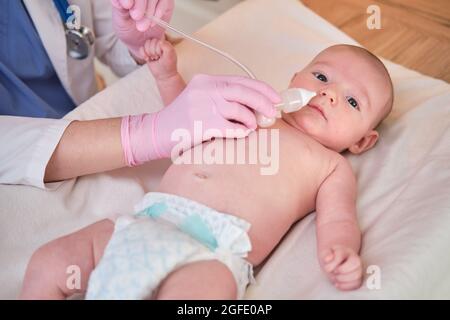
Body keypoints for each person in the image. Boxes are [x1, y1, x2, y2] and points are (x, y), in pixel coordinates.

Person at [19, 42, 394, 299]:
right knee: (50, 261)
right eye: (322, 77)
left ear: (362, 142)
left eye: (350, 100)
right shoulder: (251, 110)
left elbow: (339, 218)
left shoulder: (331, 166)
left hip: (214, 254)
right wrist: (167, 76)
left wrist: (341, 251)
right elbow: (185, 121)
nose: (328, 94)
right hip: (146, 222)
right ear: (295, 79)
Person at [0, 0, 280, 187]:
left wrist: (142, 45)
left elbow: (100, 37)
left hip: (90, 113)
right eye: (320, 76)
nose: (325, 93)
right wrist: (145, 133)